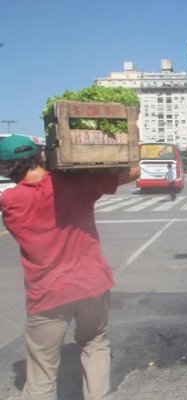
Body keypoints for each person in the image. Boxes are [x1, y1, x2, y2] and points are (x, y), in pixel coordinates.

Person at [0, 135, 140, 399]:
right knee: (95, 342)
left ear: (6, 167)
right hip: (92, 286)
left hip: (48, 296)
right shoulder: (75, 183)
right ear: (40, 155)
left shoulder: (11, 200)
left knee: (42, 371)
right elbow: (133, 171)